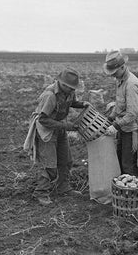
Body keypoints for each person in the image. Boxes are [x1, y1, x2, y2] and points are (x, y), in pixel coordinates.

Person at [24, 68, 90, 206]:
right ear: (63, 84)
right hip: (46, 132)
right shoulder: (50, 96)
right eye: (71, 88)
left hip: (59, 129)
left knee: (66, 160)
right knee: (50, 165)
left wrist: (82, 104)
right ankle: (41, 192)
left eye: (74, 88)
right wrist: (66, 126)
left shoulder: (69, 92)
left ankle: (63, 188)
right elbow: (43, 119)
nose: (73, 91)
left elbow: (71, 102)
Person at [103, 50, 138, 176]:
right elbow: (119, 104)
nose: (113, 75)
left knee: (129, 164)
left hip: (132, 130)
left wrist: (115, 126)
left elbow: (132, 113)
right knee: (119, 160)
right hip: (123, 128)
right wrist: (111, 117)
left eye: (115, 72)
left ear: (123, 67)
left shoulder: (131, 84)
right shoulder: (119, 80)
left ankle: (133, 192)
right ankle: (124, 192)